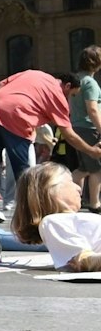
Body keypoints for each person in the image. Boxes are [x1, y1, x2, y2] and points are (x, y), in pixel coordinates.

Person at [0, 69, 100, 222]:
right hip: (18, 116)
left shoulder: (34, 73)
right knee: (22, 170)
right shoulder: (58, 97)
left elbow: (1, 84)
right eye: (72, 95)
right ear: (67, 86)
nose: (69, 100)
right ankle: (29, 212)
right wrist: (91, 151)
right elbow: (69, 135)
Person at [12, 163, 101, 270]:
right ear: (51, 190)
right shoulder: (51, 222)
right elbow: (83, 260)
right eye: (70, 182)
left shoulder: (65, 221)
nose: (78, 187)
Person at [68, 46, 101, 210]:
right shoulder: (91, 83)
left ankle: (70, 198)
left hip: (77, 127)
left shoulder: (77, 79)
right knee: (97, 168)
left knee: (84, 168)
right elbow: (93, 109)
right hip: (90, 128)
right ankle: (95, 203)